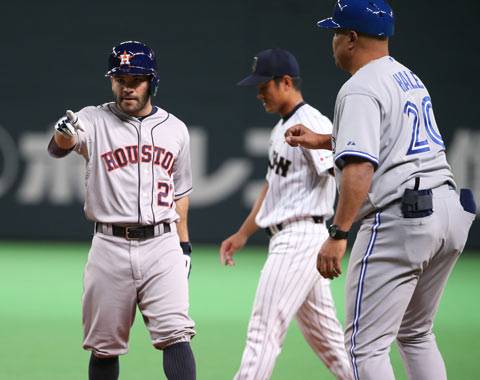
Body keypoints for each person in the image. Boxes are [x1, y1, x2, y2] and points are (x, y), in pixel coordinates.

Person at [285, 1, 477, 379]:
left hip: (403, 219)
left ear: (352, 38)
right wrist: (323, 140)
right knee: (416, 333)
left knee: (364, 347)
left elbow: (360, 167)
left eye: (336, 33)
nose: (334, 41)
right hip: (449, 212)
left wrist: (338, 234)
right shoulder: (407, 76)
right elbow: (393, 140)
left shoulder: (359, 87)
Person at [47, 40, 196, 380]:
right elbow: (59, 149)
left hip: (162, 244)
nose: (128, 86)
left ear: (152, 82)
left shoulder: (176, 129)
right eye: (121, 78)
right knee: (104, 346)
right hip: (109, 245)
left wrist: (183, 245)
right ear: (112, 81)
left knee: (176, 334)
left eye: (137, 78)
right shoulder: (92, 119)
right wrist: (63, 136)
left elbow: (181, 193)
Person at [220, 48, 353, 380]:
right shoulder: (282, 128)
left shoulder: (311, 122)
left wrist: (339, 232)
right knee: (333, 347)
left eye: (264, 84)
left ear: (286, 82)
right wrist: (243, 233)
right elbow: (270, 189)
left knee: (263, 331)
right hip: (292, 236)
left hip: (301, 239)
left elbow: (343, 174)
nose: (259, 92)